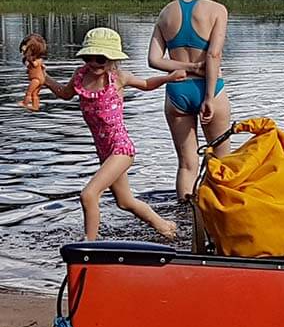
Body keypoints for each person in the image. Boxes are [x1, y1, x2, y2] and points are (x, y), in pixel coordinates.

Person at [42, 28, 185, 241]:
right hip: (104, 151)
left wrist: (169, 78)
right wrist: (43, 77)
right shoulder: (80, 76)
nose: (94, 63)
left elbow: (145, 84)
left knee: (88, 195)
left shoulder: (117, 77)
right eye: (89, 57)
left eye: (100, 59)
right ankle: (166, 227)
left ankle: (89, 245)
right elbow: (64, 93)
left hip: (121, 149)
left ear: (112, 60)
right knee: (125, 201)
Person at [148, 0, 231, 199]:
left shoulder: (166, 12)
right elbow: (213, 55)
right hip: (210, 89)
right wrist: (208, 97)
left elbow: (154, 60)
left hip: (176, 92)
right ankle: (221, 215)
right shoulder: (217, 10)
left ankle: (185, 218)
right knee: (222, 160)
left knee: (186, 164)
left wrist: (187, 67)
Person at [19, 33, 47, 111]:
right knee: (35, 93)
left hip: (36, 79)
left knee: (29, 92)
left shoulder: (36, 60)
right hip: (39, 79)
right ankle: (35, 106)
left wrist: (29, 59)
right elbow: (43, 68)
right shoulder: (40, 60)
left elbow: (35, 65)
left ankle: (25, 103)